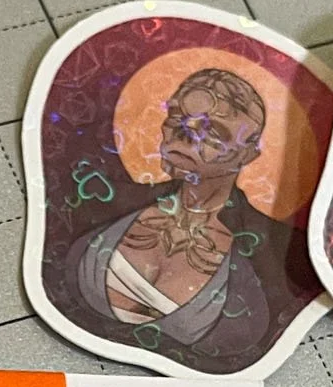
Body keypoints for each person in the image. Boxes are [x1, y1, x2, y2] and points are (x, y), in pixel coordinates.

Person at [67, 67, 274, 363]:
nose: (184, 136)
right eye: (176, 118)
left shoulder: (265, 249)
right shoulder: (110, 202)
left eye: (213, 132)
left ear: (248, 154)